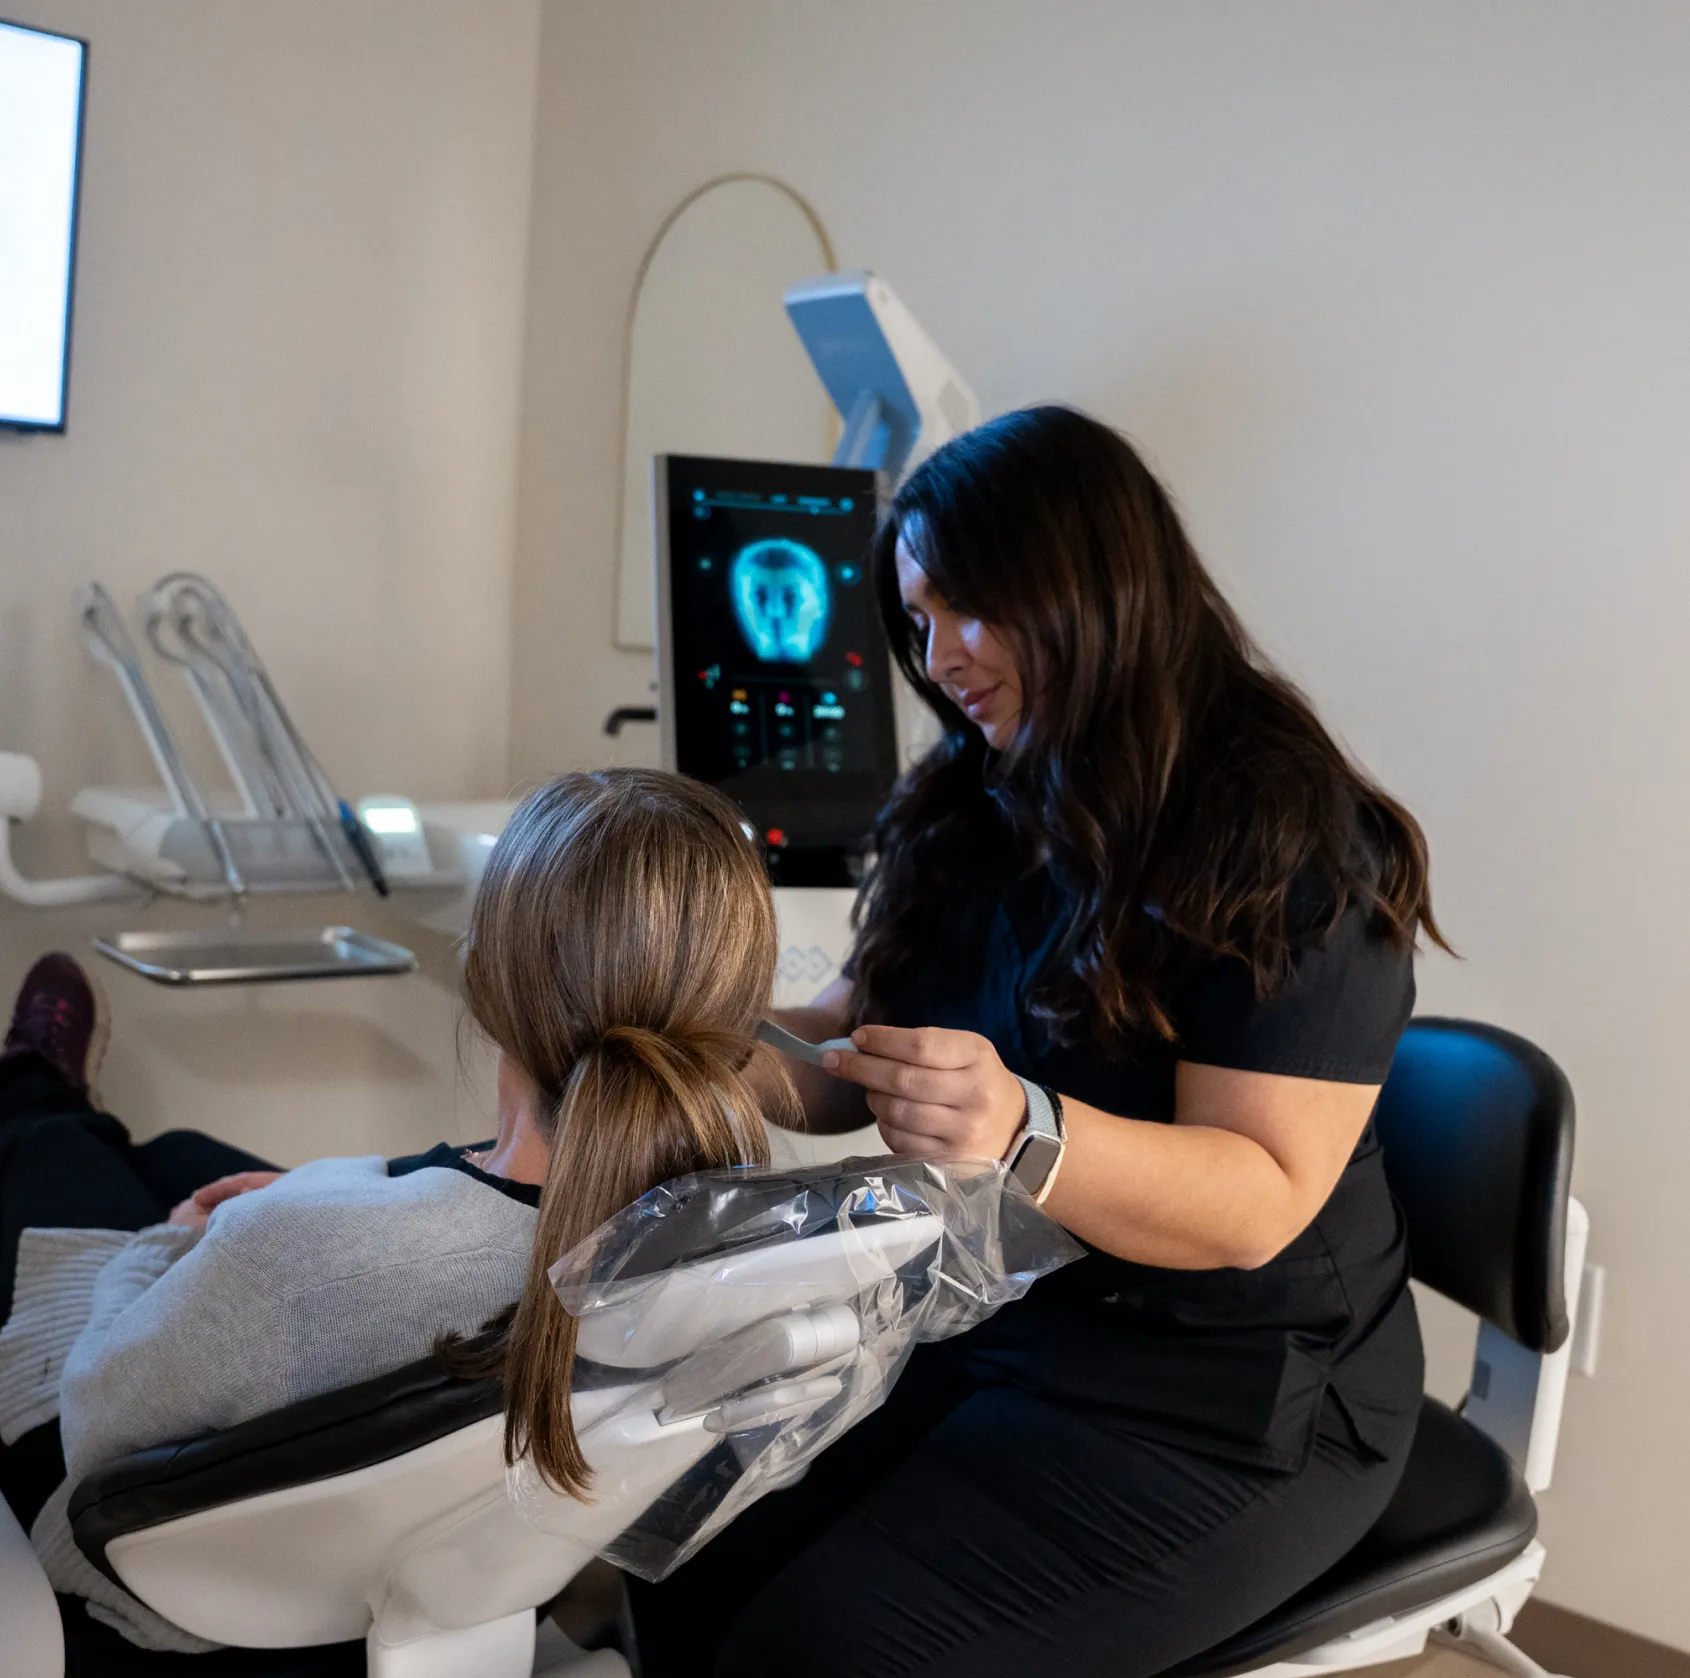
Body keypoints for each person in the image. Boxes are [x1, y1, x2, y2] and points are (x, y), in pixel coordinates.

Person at [627, 405, 1448, 1678]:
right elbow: (851, 1045)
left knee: (826, 1650)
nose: (938, 652)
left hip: (1243, 1396)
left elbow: (1257, 1197)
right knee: (686, 1559)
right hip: (1014, 1328)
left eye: (968, 608)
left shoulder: (1287, 836)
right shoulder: (974, 798)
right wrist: (676, 1038)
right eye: (917, 617)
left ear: (1088, 583)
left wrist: (1025, 1129)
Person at [0, 767, 789, 1661]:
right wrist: (331, 1198)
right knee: (177, 1149)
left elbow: (90, 1423)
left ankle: (35, 1096)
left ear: (487, 978)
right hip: (427, 1574)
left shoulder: (286, 1261)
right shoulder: (724, 1249)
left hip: (157, 1590)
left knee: (51, 1159)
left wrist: (167, 1245)